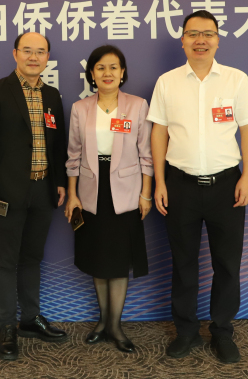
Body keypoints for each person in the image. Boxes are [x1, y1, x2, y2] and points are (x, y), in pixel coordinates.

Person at [147, 10, 248, 364]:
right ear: (183, 40)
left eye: (208, 33)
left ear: (217, 39)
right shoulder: (167, 82)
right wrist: (160, 182)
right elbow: (158, 133)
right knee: (183, 263)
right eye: (193, 33)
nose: (201, 40)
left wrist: (247, 176)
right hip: (179, 185)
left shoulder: (236, 79)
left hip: (226, 186)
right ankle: (186, 331)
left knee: (227, 264)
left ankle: (222, 331)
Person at [0, 32, 69, 361]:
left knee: (32, 258)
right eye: (27, 50)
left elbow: (57, 145)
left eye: (40, 52)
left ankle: (30, 319)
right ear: (15, 54)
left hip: (43, 190)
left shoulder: (52, 95)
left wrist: (59, 183)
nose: (33, 57)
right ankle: (7, 328)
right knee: (7, 261)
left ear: (47, 58)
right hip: (7, 193)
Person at [64, 45, 153, 353]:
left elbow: (146, 155)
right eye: (100, 67)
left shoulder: (137, 105)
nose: (107, 73)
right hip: (91, 192)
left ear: (122, 72)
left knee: (118, 261)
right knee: (98, 259)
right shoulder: (80, 108)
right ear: (92, 73)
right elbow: (73, 156)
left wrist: (146, 194)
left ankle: (115, 325)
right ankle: (103, 322)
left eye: (113, 67)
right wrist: (72, 195)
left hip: (126, 191)